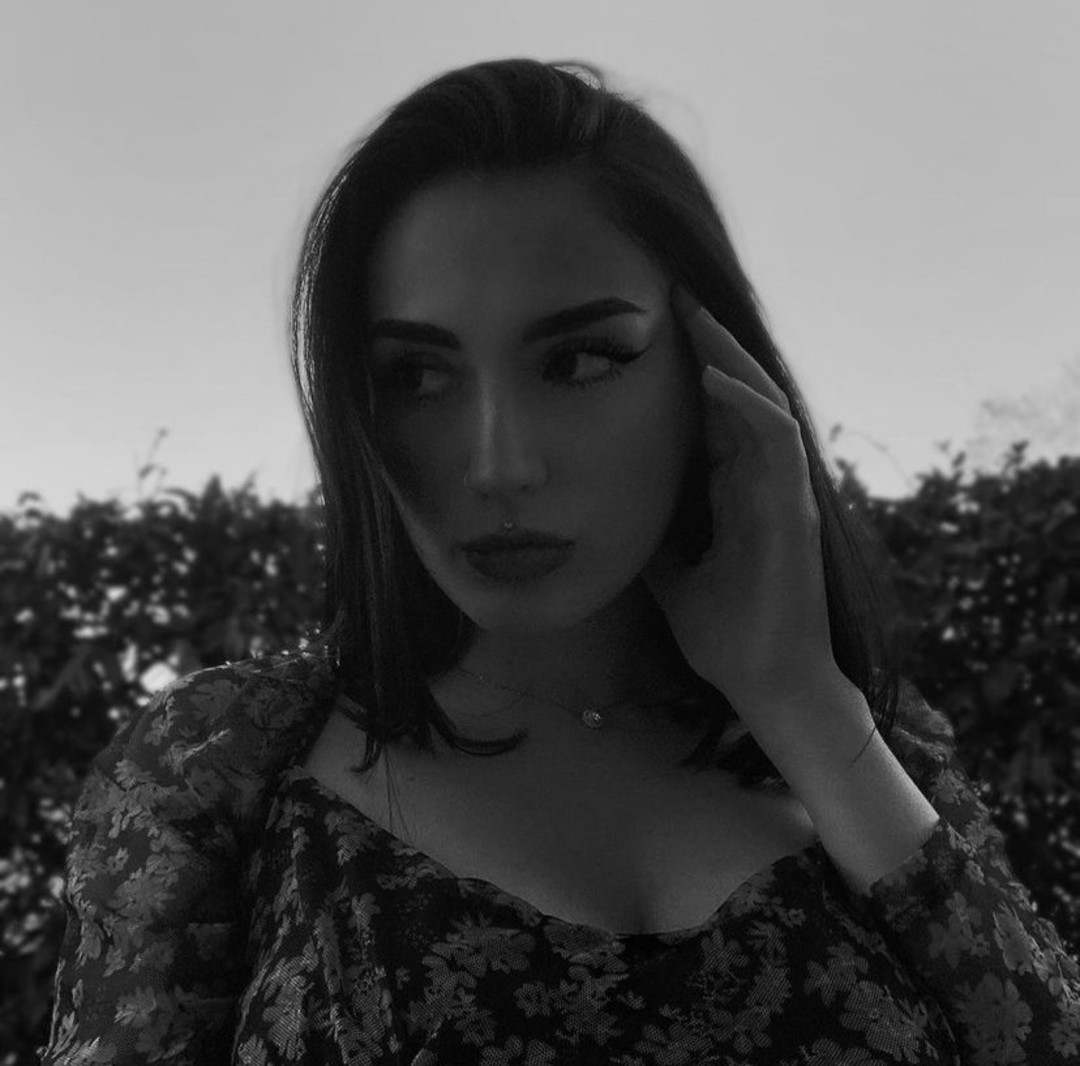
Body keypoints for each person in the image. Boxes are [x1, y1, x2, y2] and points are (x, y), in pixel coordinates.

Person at [42, 58, 1079, 1065]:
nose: (501, 464)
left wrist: (796, 693)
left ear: (715, 377)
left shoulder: (866, 747)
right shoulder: (221, 769)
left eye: (579, 359)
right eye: (416, 375)